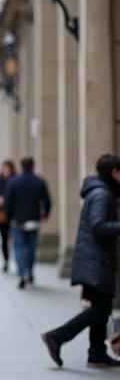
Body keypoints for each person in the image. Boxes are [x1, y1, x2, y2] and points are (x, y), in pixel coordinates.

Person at [41, 155, 120, 368]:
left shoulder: (99, 192)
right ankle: (57, 337)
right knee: (100, 310)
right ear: (114, 172)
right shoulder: (103, 195)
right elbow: (98, 225)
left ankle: (96, 353)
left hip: (95, 260)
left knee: (101, 308)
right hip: (97, 262)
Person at [5, 156, 52, 289]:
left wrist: (9, 216)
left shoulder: (13, 182)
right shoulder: (39, 181)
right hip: (34, 219)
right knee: (31, 248)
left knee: (19, 247)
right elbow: (47, 200)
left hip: (18, 220)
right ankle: (29, 272)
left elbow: (8, 202)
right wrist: (45, 215)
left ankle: (22, 272)